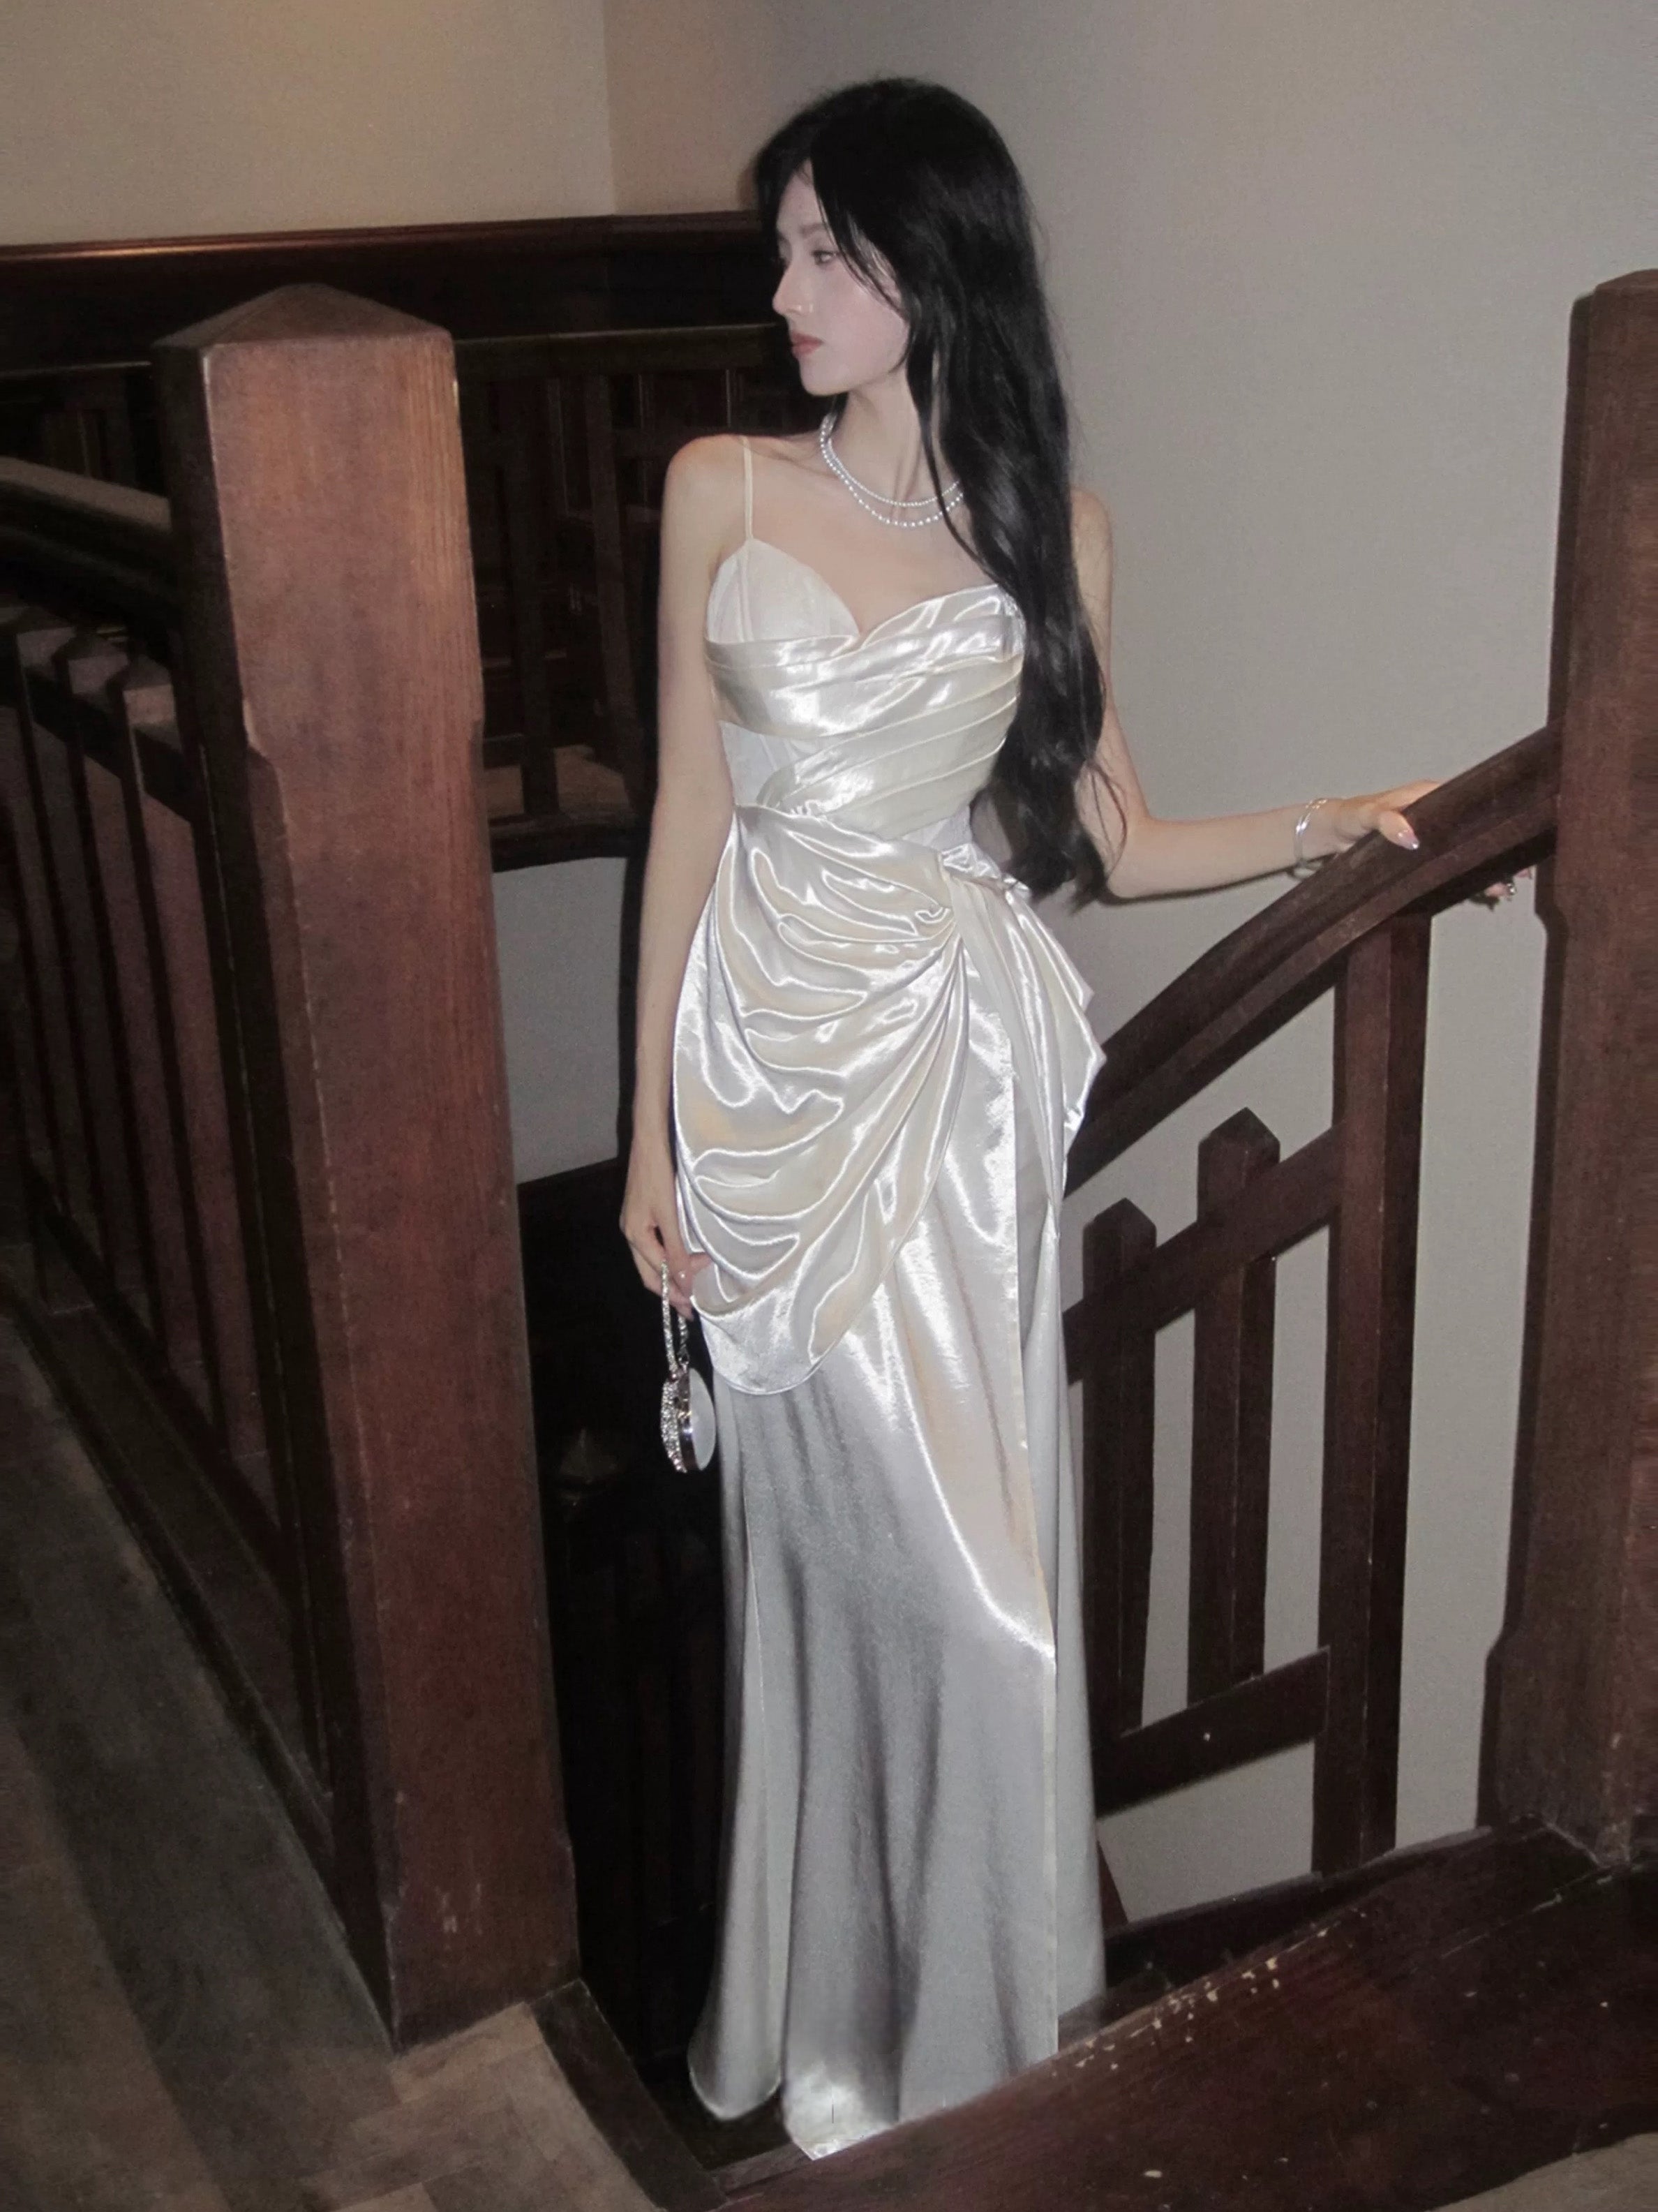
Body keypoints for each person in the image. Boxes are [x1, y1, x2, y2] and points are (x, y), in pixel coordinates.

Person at [621, 78, 1431, 2159]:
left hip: (951, 1103)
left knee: (984, 1596)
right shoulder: (722, 488)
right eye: (785, 251)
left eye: (825, 252)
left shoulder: (1054, 531)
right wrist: (646, 1139)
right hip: (770, 1097)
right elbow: (686, 819)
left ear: (934, 264)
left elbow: (1118, 840)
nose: (786, 292)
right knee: (840, 1589)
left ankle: (970, 2080)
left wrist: (1330, 823)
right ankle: (841, 2038)